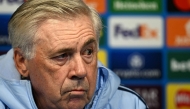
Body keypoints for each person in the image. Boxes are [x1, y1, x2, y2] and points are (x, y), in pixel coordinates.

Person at [0, 0, 149, 109]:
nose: (81, 71)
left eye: (88, 52)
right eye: (62, 55)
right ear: (22, 62)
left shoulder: (129, 104)